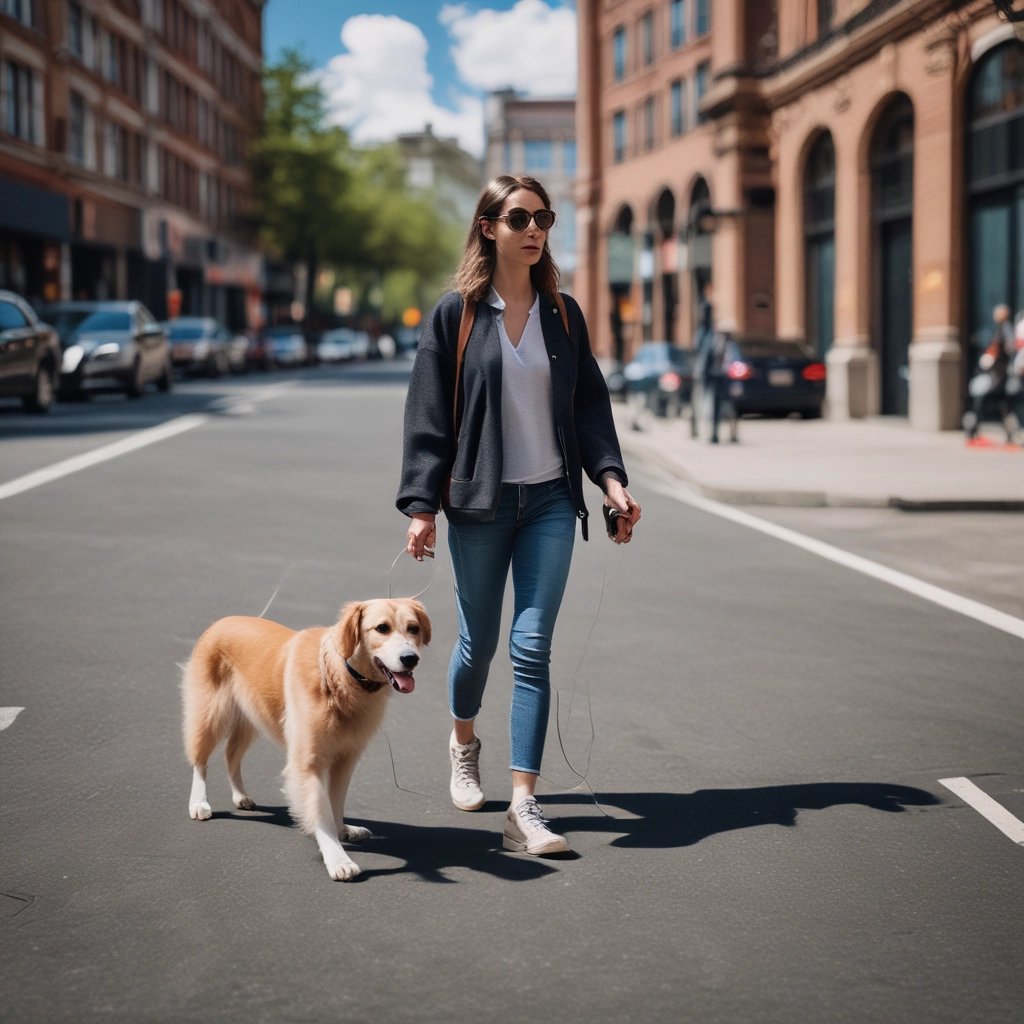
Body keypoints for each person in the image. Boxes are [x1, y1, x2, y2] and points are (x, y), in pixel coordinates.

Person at [396, 174, 641, 856]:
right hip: (479, 502)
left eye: (544, 218)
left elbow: (589, 406)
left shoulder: (563, 314)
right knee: (479, 644)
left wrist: (612, 481)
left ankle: (525, 806)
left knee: (532, 647)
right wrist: (421, 507)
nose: (534, 229)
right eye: (520, 217)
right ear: (488, 227)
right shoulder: (456, 315)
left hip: (551, 502)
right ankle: (463, 741)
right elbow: (426, 418)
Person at [964, 304, 1017, 443]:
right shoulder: (1002, 328)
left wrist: (994, 355)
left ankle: (973, 428)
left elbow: (1010, 346)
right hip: (998, 373)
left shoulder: (1005, 328)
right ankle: (1010, 433)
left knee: (983, 399)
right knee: (1002, 403)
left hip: (997, 374)